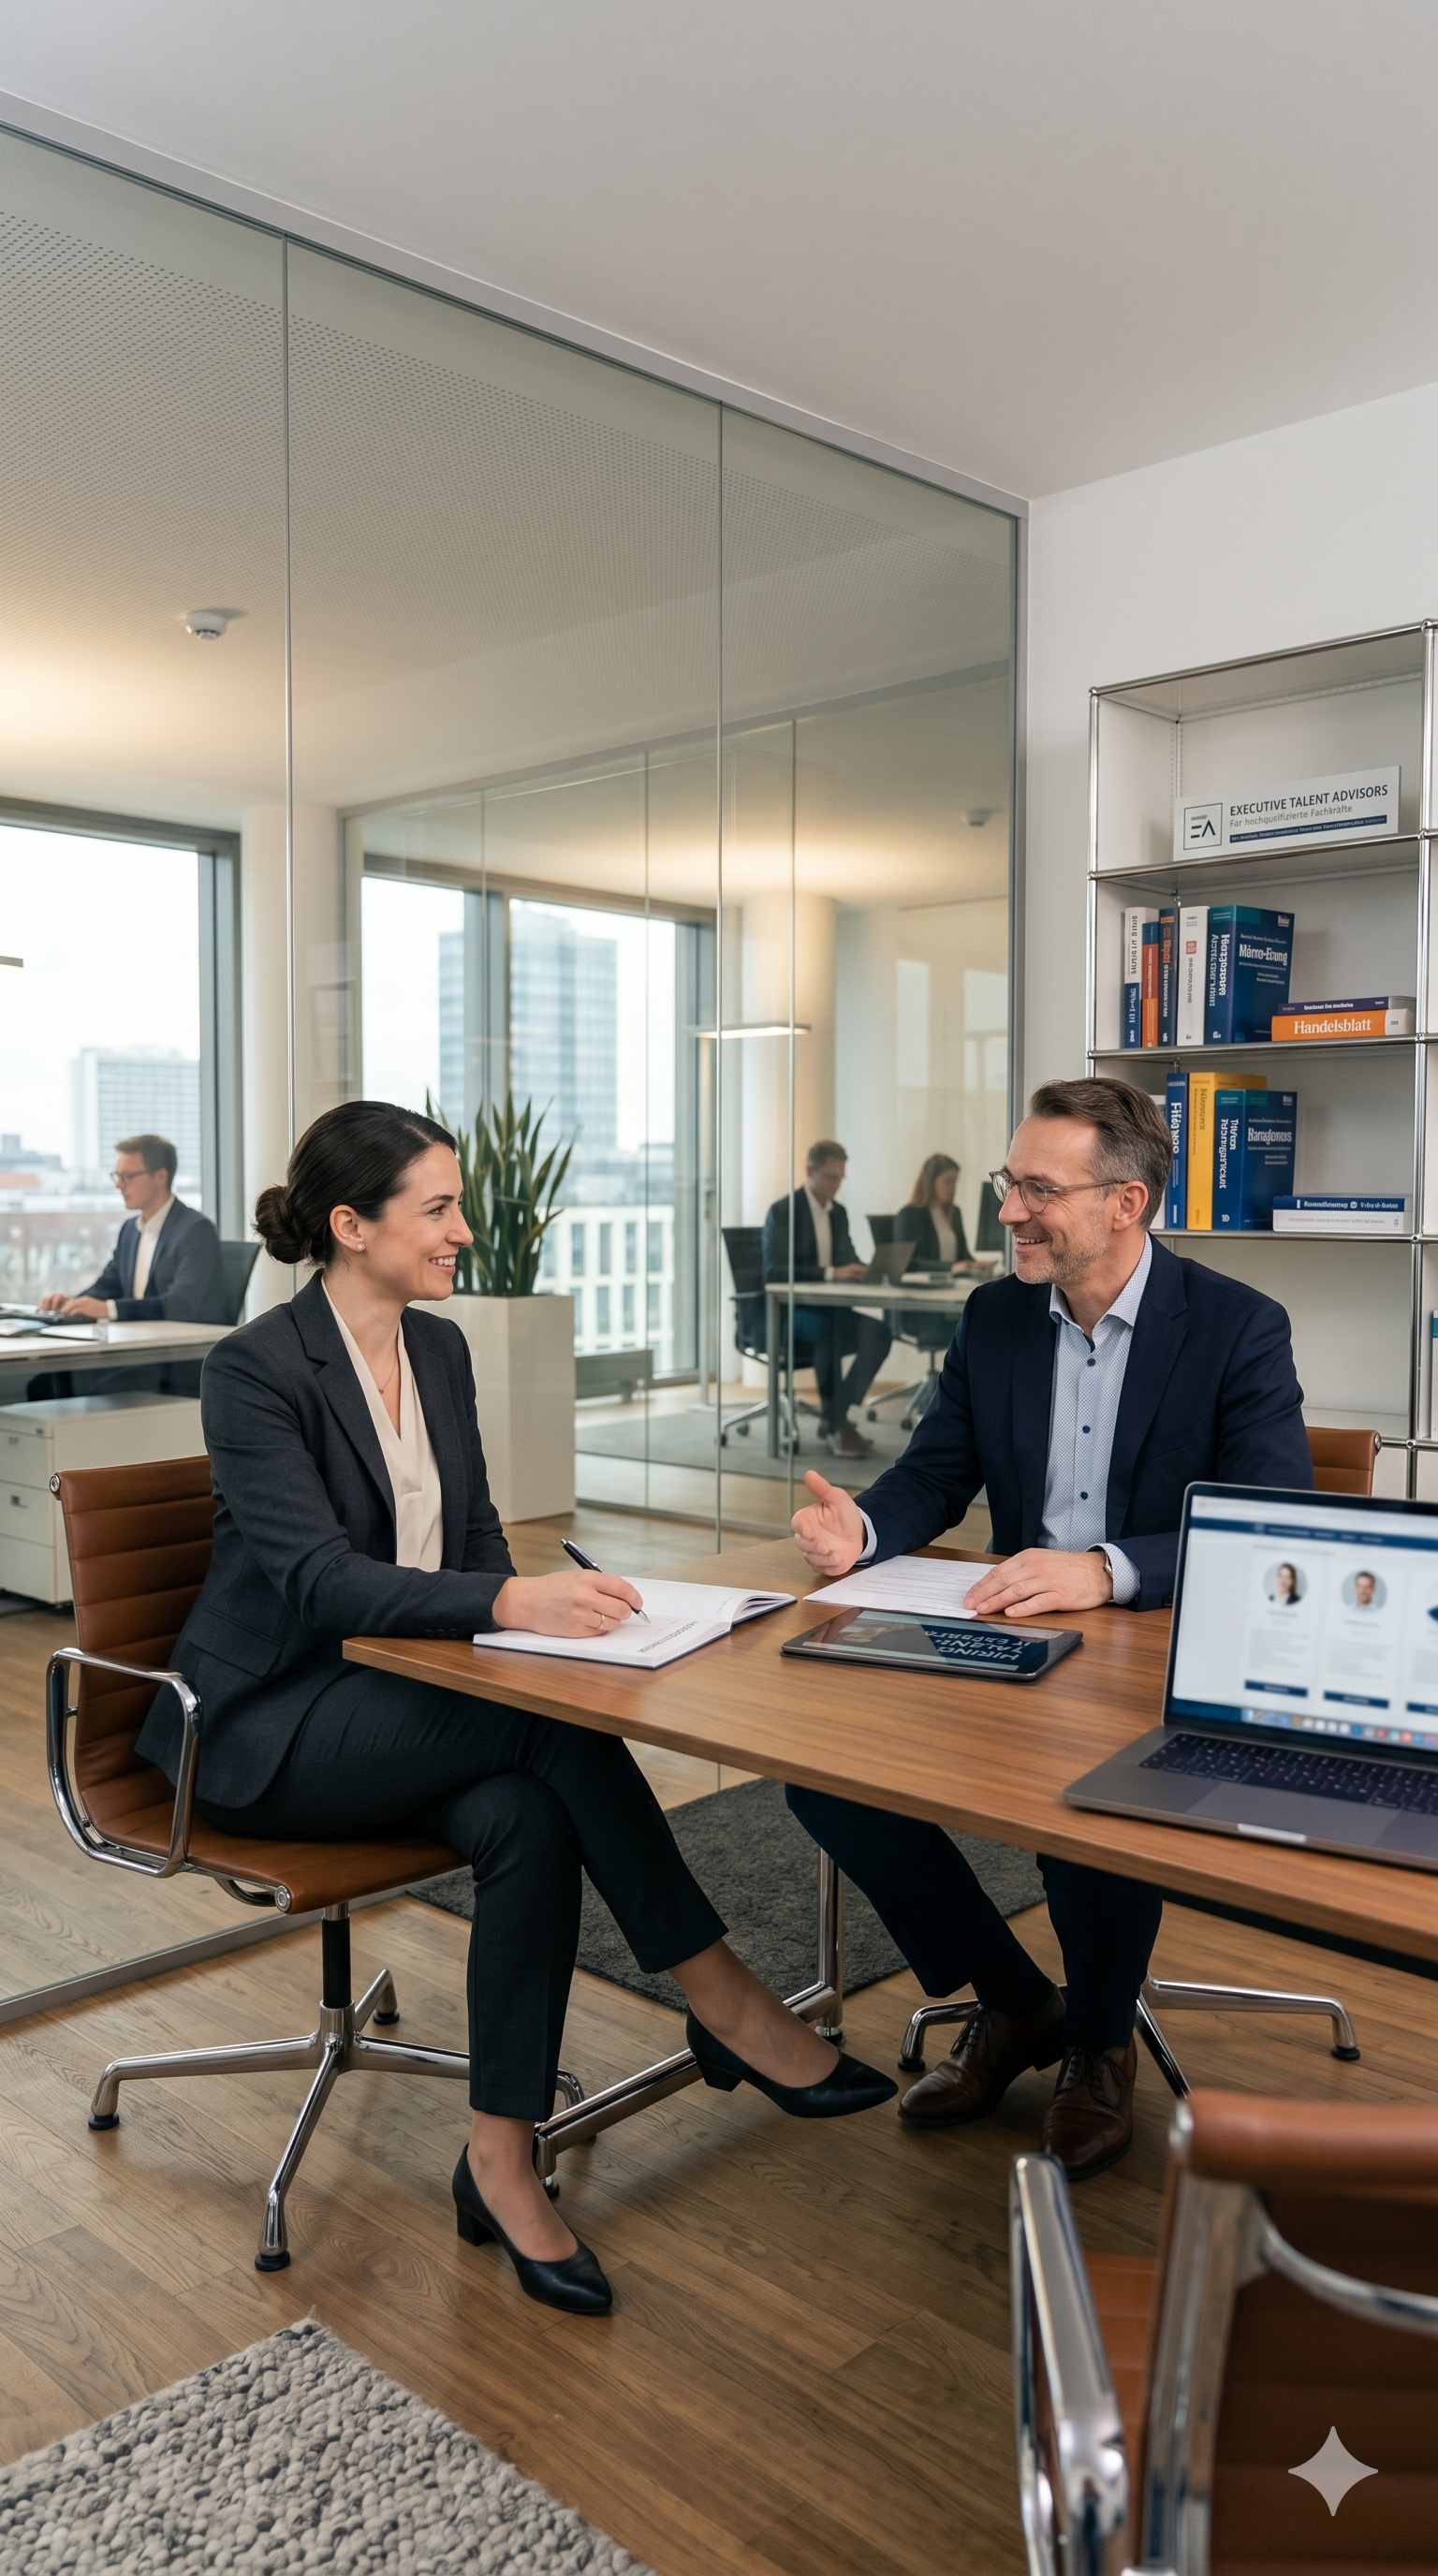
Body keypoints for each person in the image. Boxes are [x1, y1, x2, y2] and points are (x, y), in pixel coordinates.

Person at [136, 1102, 893, 2317]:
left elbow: (475, 1539)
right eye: (437, 1207)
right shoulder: (257, 1369)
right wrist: (516, 1607)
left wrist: (560, 1606)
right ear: (351, 1225)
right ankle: (725, 1998)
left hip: (401, 1696)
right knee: (548, 1729)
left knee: (525, 1819)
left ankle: (501, 2155)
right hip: (260, 1725)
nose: (462, 1229)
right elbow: (319, 1582)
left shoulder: (438, 1350)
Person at [784, 1076, 1314, 2182]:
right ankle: (1018, 2000)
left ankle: (1100, 2041)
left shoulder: (1236, 1328)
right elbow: (937, 1473)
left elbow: (1276, 1531)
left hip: (1148, 1644)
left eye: (1037, 1189)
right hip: (1011, 1634)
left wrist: (1105, 1570)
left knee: (1091, 1794)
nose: (1010, 1211)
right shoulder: (994, 1317)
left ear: (1125, 1202)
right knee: (821, 1775)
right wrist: (863, 1528)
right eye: (1006, 1183)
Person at [762, 1139, 891, 1459]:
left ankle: (834, 1416)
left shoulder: (839, 1214)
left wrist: (861, 1269)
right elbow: (775, 1271)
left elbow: (846, 1256)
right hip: (794, 1312)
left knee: (880, 1333)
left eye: (840, 1178)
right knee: (827, 1333)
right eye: (831, 1177)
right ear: (810, 1171)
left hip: (831, 1309)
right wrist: (832, 1273)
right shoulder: (783, 1212)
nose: (836, 1185)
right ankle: (836, 1427)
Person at [39, 1133, 225, 1323]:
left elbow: (180, 1304)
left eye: (127, 1177)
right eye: (117, 1176)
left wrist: (110, 1309)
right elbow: (108, 1286)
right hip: (135, 1337)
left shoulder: (196, 1230)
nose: (118, 1185)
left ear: (161, 1177)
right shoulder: (130, 1229)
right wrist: (72, 1303)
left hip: (179, 1344)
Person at [894, 1153, 988, 1274]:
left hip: (953, 1282)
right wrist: (950, 1268)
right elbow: (908, 1262)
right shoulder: (909, 1215)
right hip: (924, 1285)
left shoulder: (955, 1213)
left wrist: (975, 1264)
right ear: (930, 1183)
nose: (953, 1187)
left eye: (955, 1181)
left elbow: (962, 1254)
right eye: (948, 1182)